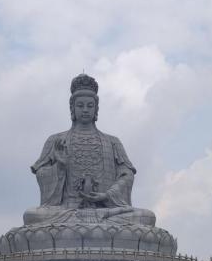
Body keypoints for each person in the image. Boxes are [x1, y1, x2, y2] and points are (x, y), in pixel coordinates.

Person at [24, 73, 156, 227]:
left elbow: (127, 175)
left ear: (96, 108)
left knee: (147, 217)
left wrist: (107, 195)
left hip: (107, 211)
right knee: (31, 216)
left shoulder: (112, 142)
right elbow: (41, 175)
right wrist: (60, 167)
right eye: (80, 106)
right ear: (72, 108)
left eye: (90, 105)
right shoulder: (56, 141)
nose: (85, 110)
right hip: (66, 212)